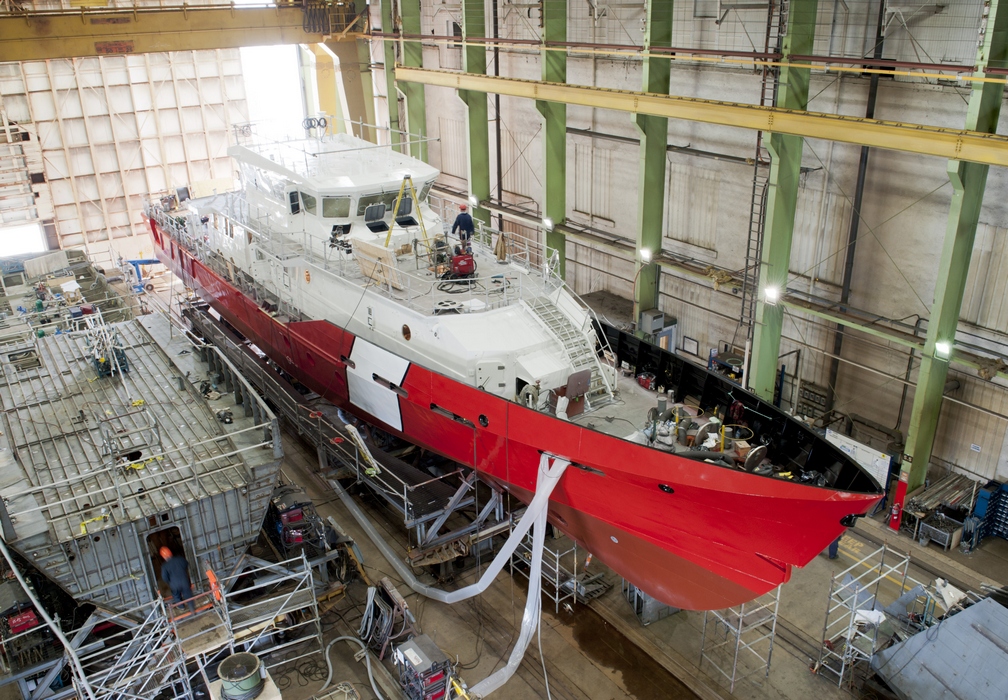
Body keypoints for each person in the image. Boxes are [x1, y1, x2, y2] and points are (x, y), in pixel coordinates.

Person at [160, 546, 195, 614]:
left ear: (163, 557)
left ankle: (181, 607)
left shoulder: (164, 566)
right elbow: (186, 564)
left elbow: (164, 578)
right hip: (184, 581)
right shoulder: (180, 559)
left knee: (176, 595)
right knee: (188, 594)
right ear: (171, 553)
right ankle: (192, 608)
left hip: (174, 584)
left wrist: (169, 581)